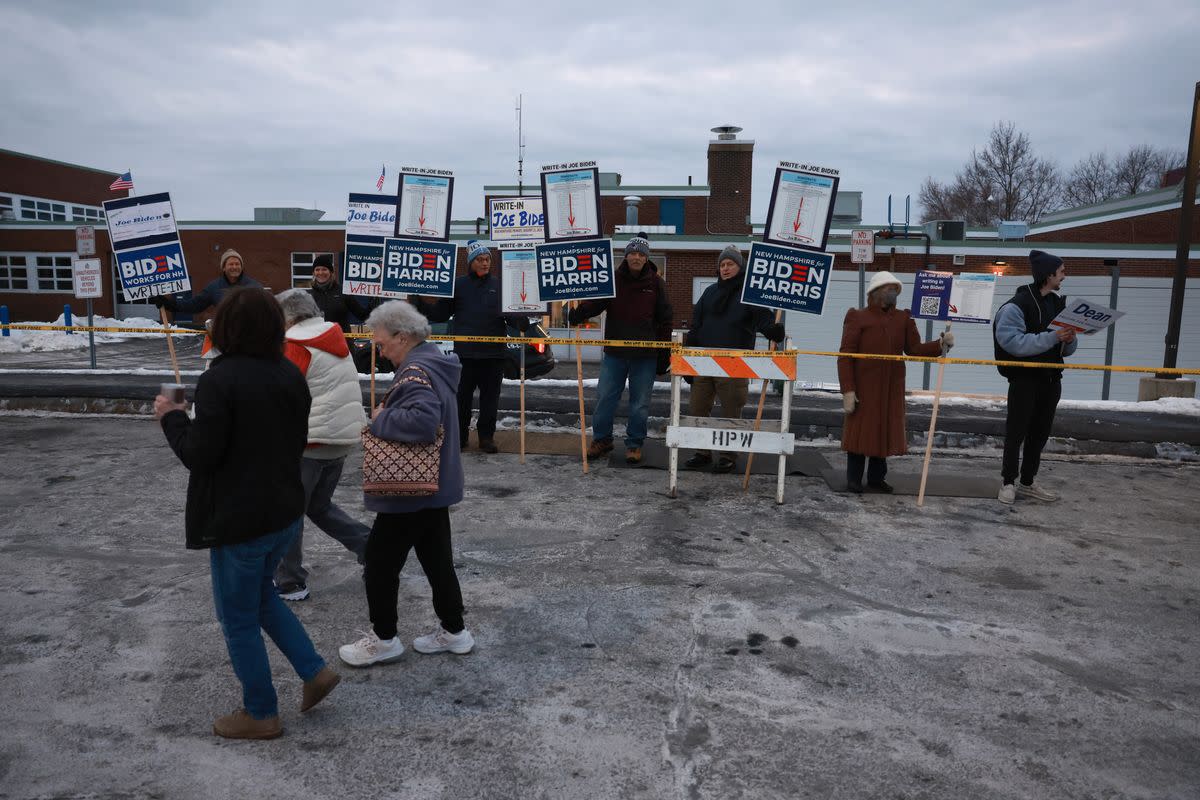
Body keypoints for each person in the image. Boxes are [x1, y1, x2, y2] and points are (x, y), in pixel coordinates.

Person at [154, 287, 339, 740]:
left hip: (241, 518)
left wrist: (172, 418)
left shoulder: (221, 379)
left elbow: (201, 454)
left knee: (238, 618)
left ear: (228, 328)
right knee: (262, 599)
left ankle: (260, 712)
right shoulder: (288, 373)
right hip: (283, 511)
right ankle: (314, 671)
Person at [338, 300, 474, 667]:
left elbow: (423, 423)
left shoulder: (416, 370)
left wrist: (381, 418)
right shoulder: (435, 364)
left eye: (382, 344)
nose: (380, 352)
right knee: (437, 561)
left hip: (409, 489)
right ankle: (455, 631)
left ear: (403, 336)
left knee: (380, 564)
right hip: (434, 485)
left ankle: (383, 639)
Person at [272, 289, 371, 602]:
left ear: (288, 316)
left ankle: (290, 581)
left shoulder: (296, 345)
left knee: (289, 513)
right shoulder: (332, 335)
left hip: (309, 443)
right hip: (338, 440)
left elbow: (281, 395)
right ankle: (370, 545)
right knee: (319, 505)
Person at [838, 271, 952, 493]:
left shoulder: (904, 318)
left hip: (891, 388)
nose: (894, 292)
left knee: (884, 430)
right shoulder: (857, 316)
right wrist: (848, 390)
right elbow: (845, 355)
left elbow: (914, 349)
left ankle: (876, 479)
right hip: (865, 387)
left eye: (896, 289)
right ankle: (854, 479)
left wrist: (940, 344)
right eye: (889, 288)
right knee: (861, 432)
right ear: (876, 292)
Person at [568, 234, 672, 464]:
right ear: (626, 256)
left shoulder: (656, 283)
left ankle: (634, 444)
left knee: (640, 403)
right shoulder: (613, 280)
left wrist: (664, 353)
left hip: (645, 356)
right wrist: (579, 312)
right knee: (605, 398)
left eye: (640, 254)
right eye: (632, 253)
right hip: (615, 354)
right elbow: (597, 303)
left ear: (646, 258)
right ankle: (602, 439)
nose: (636, 257)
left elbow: (666, 319)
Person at [417, 240, 529, 453]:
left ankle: (486, 438)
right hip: (465, 356)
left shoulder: (500, 286)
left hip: (494, 356)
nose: (485, 263)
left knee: (490, 401)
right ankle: (460, 437)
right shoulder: (457, 286)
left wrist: (521, 322)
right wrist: (419, 302)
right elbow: (440, 314)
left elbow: (512, 316)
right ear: (470, 262)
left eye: (487, 259)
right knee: (461, 400)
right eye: (480, 259)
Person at [684, 245, 786, 473]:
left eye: (730, 264)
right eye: (722, 264)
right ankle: (702, 452)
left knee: (731, 412)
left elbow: (764, 319)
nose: (725, 268)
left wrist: (773, 330)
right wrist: (689, 360)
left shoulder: (750, 293)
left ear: (740, 267)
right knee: (698, 408)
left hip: (735, 364)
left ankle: (728, 456)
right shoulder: (709, 293)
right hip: (703, 362)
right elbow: (696, 326)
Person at [993, 250, 1077, 505]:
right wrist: (1054, 337)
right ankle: (1008, 482)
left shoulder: (1056, 303)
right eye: (1061, 271)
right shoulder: (1015, 306)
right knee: (1016, 432)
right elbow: (1013, 343)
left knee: (1039, 434)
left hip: (1051, 379)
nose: (1064, 276)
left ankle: (1028, 482)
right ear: (1048, 274)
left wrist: (1070, 340)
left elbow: (1066, 348)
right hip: (1024, 380)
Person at [154, 249, 262, 317]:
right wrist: (169, 304)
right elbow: (193, 306)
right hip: (225, 340)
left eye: (237, 264)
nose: (234, 267)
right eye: (231, 264)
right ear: (223, 268)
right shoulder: (214, 287)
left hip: (250, 339)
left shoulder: (254, 287)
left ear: (242, 267)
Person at [308, 253, 370, 333]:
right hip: (317, 343)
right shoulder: (308, 296)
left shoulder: (343, 292)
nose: (320, 273)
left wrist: (374, 299)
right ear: (313, 273)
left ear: (331, 272)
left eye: (324, 269)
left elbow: (363, 316)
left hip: (342, 342)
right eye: (317, 270)